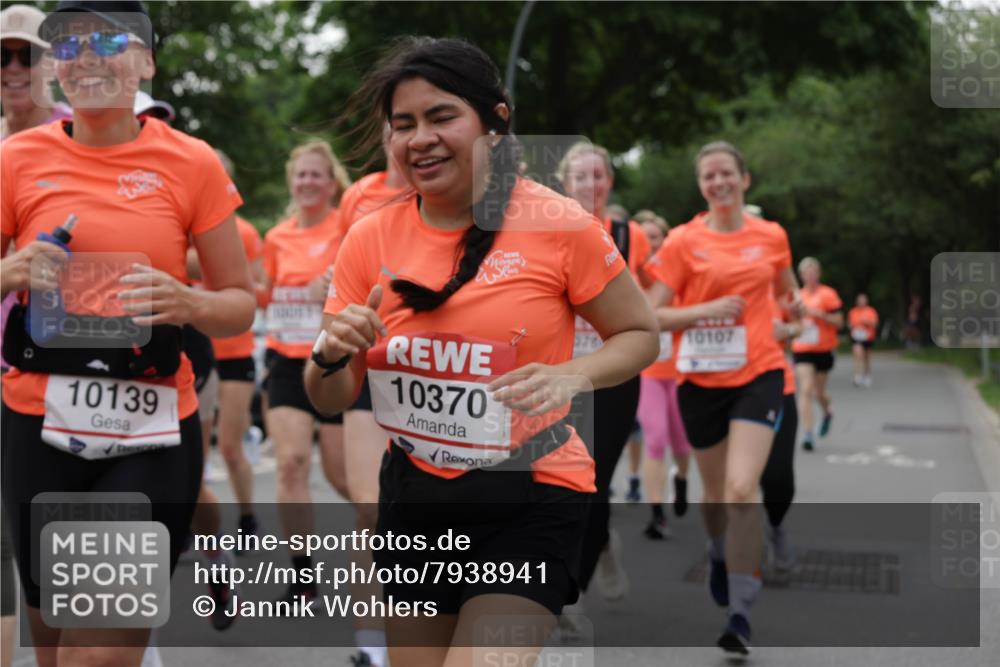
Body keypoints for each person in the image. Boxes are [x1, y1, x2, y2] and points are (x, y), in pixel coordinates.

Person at [304, 36, 657, 667]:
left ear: (495, 123)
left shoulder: (562, 223)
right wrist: (329, 353)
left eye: (442, 117)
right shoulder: (367, 237)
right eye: (403, 124)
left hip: (533, 494)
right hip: (417, 497)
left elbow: (639, 334)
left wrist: (568, 376)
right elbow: (328, 393)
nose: (420, 139)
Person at [0, 3, 254, 666]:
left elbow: (239, 303)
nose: (87, 55)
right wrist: (11, 270)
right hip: (38, 423)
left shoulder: (191, 163)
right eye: (70, 44)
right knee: (53, 638)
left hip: (151, 426)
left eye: (110, 40)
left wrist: (188, 300)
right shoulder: (16, 158)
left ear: (145, 63)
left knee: (98, 649)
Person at [645, 141, 802, 654]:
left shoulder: (772, 235)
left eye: (726, 174)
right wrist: (705, 310)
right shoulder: (682, 242)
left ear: (744, 179)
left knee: (740, 489)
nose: (719, 183)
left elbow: (789, 297)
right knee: (715, 499)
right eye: (709, 176)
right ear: (701, 186)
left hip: (759, 373)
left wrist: (793, 313)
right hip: (701, 382)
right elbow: (652, 315)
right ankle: (716, 550)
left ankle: (740, 609)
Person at [0, 7, 73, 666]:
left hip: (81, 382)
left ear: (53, 64)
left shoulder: (89, 136)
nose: (15, 71)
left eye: (28, 55)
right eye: (3, 58)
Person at [556, 141, 652, 608]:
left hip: (613, 378)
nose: (590, 184)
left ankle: (571, 595)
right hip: (558, 375)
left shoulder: (631, 235)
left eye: (598, 176)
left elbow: (655, 306)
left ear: (609, 182)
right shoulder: (545, 231)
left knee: (593, 485)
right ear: (564, 183)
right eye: (580, 177)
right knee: (553, 485)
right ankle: (597, 545)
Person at [261, 139, 351, 607]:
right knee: (291, 462)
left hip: (334, 357)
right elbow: (267, 292)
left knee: (342, 475)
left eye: (316, 174)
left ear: (332, 182)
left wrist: (334, 290)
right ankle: (302, 577)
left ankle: (394, 544)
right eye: (300, 175)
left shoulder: (348, 226)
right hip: (284, 357)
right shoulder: (276, 237)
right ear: (290, 183)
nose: (308, 182)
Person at [334, 134, 410, 667]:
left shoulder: (460, 194)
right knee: (370, 508)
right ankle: (370, 645)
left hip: (433, 374)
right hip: (371, 364)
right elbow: (344, 270)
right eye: (398, 123)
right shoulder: (360, 194)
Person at [636, 216, 692, 539]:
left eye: (656, 238)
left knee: (683, 443)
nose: (651, 244)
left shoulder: (679, 276)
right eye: (645, 238)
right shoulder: (632, 279)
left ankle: (681, 479)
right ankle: (656, 513)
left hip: (683, 371)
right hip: (651, 373)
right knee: (655, 438)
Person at [790, 257, 843, 451]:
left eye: (813, 272)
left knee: (818, 393)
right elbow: (790, 321)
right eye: (806, 273)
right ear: (801, 275)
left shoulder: (828, 294)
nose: (810, 276)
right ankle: (808, 433)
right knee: (805, 389)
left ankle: (827, 411)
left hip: (823, 349)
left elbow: (839, 322)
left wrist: (819, 314)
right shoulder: (796, 296)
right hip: (802, 349)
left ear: (818, 274)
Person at [849, 293, 878, 387]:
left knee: (866, 357)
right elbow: (850, 324)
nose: (861, 302)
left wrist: (867, 322)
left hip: (868, 337)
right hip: (857, 337)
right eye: (859, 300)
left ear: (866, 301)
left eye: (863, 300)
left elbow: (875, 324)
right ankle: (857, 375)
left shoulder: (871, 311)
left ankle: (867, 374)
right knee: (857, 354)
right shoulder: (853, 311)